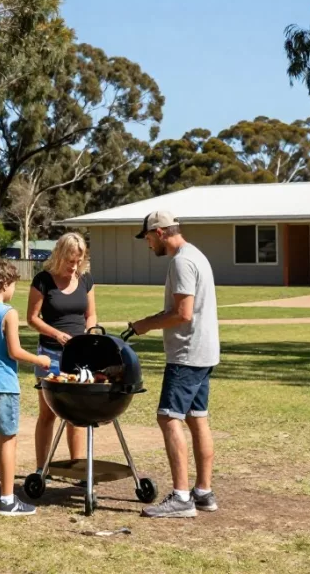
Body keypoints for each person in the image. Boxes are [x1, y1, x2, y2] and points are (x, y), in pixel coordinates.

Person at [129, 210, 220, 519]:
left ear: (162, 232)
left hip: (187, 354)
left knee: (168, 418)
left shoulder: (182, 262)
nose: (148, 244)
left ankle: (181, 497)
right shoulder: (196, 255)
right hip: (204, 352)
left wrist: (145, 324)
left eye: (149, 237)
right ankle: (203, 492)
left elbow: (182, 313)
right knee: (197, 418)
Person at [0, 259, 53, 516]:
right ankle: (7, 500)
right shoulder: (8, 313)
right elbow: (14, 351)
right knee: (7, 440)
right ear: (4, 284)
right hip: (3, 384)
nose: (15, 289)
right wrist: (40, 360)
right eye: (14, 284)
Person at [27, 232, 96, 478]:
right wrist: (56, 334)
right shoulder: (43, 280)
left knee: (76, 413)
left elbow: (91, 315)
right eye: (70, 261)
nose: (74, 266)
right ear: (60, 255)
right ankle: (41, 468)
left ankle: (76, 468)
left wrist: (89, 333)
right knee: (48, 412)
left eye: (78, 261)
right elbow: (32, 318)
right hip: (50, 354)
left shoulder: (85, 279)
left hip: (79, 356)